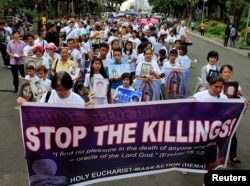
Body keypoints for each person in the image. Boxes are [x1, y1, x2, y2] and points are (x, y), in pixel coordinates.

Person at [17, 71, 94, 105]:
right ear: (54, 88)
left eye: (65, 89)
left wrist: (91, 108)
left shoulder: (77, 99)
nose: (63, 92)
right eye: (59, 90)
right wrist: (25, 103)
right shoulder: (47, 96)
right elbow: (38, 111)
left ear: (70, 87)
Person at [219, 64, 244, 163]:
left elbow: (241, 92)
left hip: (231, 113)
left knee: (232, 133)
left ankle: (233, 155)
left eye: (229, 72)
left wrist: (239, 92)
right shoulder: (217, 83)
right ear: (220, 73)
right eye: (225, 72)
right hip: (219, 112)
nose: (227, 74)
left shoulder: (234, 84)